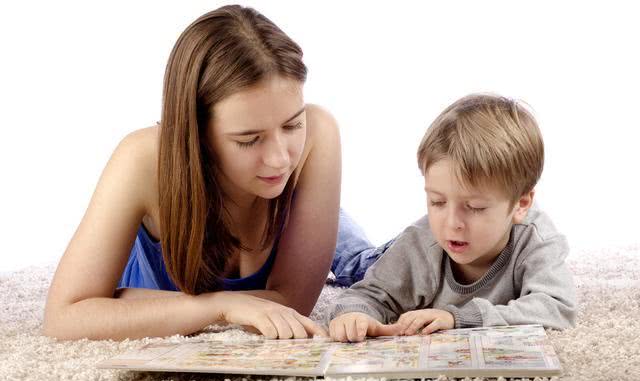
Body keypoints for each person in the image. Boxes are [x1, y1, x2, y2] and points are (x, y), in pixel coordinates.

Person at [43, 5, 341, 341]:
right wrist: (220, 307)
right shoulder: (143, 158)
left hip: (291, 204)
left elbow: (291, 306)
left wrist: (134, 304)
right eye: (248, 140)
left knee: (362, 262)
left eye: (292, 125)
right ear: (196, 134)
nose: (280, 159)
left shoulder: (319, 132)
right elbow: (64, 318)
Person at [327, 94, 577, 343]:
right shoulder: (420, 242)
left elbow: (557, 307)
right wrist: (353, 314)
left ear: (520, 205)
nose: (452, 223)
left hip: (425, 260)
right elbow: (368, 294)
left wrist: (458, 317)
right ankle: (326, 211)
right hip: (396, 256)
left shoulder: (536, 238)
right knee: (357, 266)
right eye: (437, 202)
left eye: (475, 207)